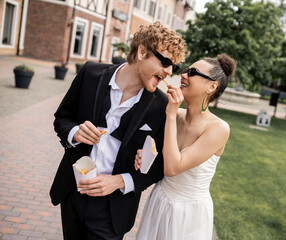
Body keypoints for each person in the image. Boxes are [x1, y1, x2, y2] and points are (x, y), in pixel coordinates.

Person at [49, 22, 186, 239]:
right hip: (72, 193)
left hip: (113, 210)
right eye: (166, 62)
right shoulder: (90, 73)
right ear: (142, 52)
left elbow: (159, 165)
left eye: (174, 67)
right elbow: (62, 118)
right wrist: (74, 132)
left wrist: (119, 181)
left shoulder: (161, 106)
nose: (169, 72)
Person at [134, 54, 236, 239]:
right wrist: (145, 155)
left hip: (189, 213)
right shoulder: (174, 113)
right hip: (160, 200)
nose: (183, 75)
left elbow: (173, 168)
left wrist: (171, 114)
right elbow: (162, 157)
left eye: (193, 72)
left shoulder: (219, 128)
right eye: (186, 70)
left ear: (212, 86)